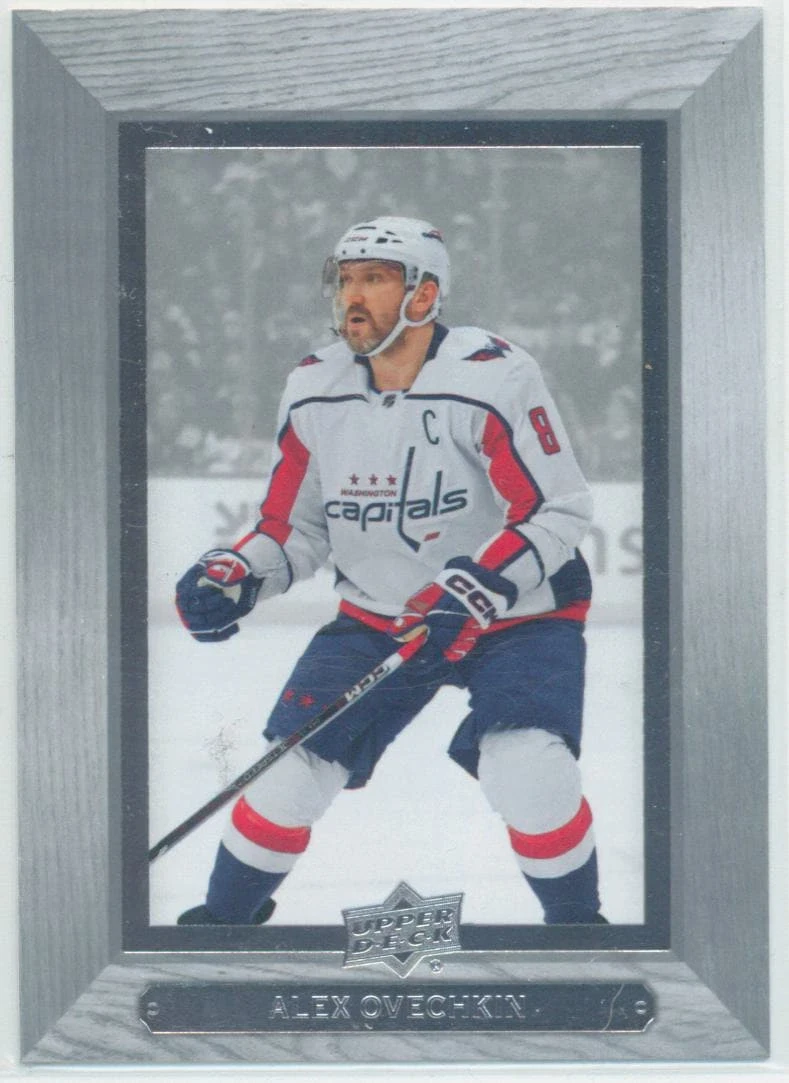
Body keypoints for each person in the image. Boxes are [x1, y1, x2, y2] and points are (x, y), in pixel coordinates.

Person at [175, 216, 606, 926]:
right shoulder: (313, 386)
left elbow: (557, 507)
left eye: (374, 278)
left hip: (517, 618)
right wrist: (239, 573)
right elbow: (293, 526)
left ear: (423, 294)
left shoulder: (493, 375)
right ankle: (219, 931)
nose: (352, 295)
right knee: (286, 775)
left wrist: (474, 587)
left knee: (528, 769)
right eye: (344, 278)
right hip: (381, 617)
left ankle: (581, 936)